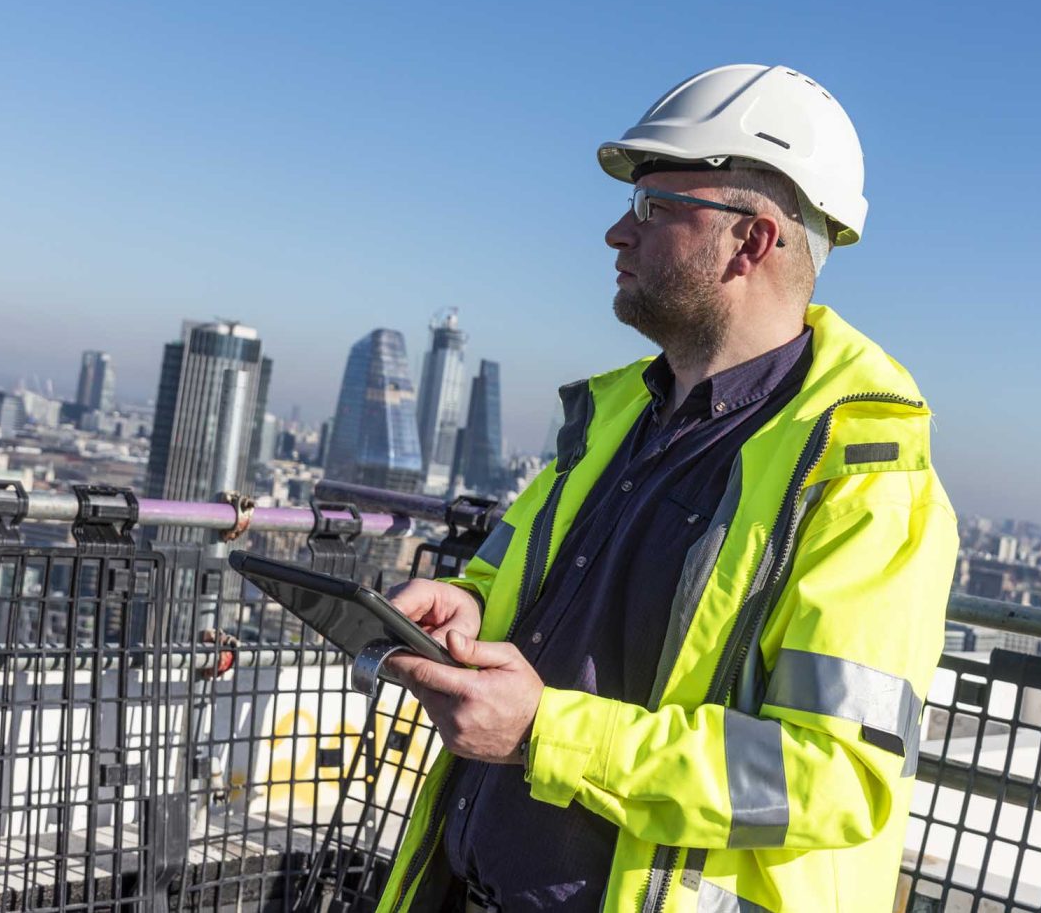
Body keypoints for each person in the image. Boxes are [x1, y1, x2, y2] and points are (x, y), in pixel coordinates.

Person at [376, 64, 959, 913]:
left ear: (750, 241)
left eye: (654, 206)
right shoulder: (616, 421)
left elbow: (834, 777)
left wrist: (545, 732)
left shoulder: (864, 483)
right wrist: (465, 609)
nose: (617, 231)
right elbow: (529, 604)